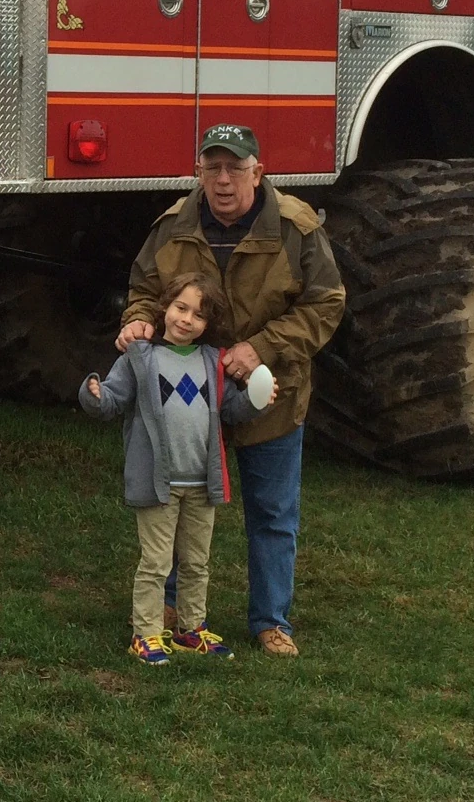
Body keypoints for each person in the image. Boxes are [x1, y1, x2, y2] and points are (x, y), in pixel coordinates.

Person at [115, 126, 344, 657]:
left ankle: (270, 621)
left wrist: (261, 347)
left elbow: (327, 305)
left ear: (258, 173)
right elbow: (145, 293)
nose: (222, 181)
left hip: (271, 399)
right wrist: (138, 324)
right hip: (184, 405)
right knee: (173, 503)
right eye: (211, 167)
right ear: (199, 172)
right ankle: (170, 607)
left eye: (235, 169)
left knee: (271, 513)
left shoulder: (296, 229)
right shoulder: (172, 227)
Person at [81, 272, 273, 665]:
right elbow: (113, 400)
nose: (186, 319)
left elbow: (231, 411)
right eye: (180, 308)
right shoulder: (139, 358)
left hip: (203, 482)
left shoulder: (212, 361)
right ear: (165, 307)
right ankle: (146, 634)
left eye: (198, 315)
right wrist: (94, 393)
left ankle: (191, 629)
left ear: (208, 324)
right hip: (158, 484)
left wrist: (257, 399)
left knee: (197, 561)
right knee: (156, 562)